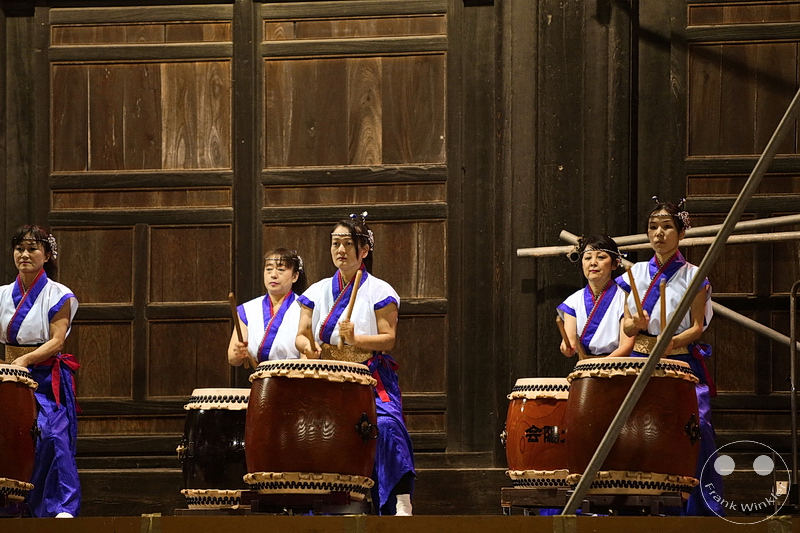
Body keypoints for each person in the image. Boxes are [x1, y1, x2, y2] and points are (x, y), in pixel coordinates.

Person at [295, 213, 415, 516]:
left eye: (348, 244)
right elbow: (301, 335)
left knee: (386, 426)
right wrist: (308, 348)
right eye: (335, 243)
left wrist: (357, 338)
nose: (340, 250)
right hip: (328, 378)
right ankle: (321, 502)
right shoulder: (318, 290)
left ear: (364, 250)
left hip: (370, 378)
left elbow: (388, 339)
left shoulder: (380, 290)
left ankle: (399, 497)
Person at [617, 197, 722, 516]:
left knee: (696, 427)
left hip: (679, 362)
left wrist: (671, 341)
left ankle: (699, 509)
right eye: (653, 227)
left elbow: (697, 328)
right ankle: (635, 508)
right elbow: (627, 323)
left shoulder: (694, 275)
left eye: (666, 227)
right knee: (634, 431)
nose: (658, 233)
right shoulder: (634, 274)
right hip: (640, 362)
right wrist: (632, 324)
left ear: (682, 233)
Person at [0, 225, 80, 518]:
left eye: (32, 249)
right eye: (19, 249)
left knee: (50, 435)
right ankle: (10, 505)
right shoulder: (2, 295)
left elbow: (57, 341)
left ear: (47, 255)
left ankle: (60, 507)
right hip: (9, 378)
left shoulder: (60, 294)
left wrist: (25, 361)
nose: (24, 255)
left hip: (46, 378)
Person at [556, 234, 634, 358]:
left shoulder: (626, 298)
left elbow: (627, 345)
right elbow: (570, 341)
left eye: (601, 257)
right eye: (587, 258)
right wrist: (567, 347)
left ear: (615, 264)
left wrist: (602, 365)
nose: (593, 263)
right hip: (586, 367)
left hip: (617, 365)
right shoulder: (572, 302)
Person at [228, 248, 307, 366]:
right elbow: (232, 359)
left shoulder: (304, 308)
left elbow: (306, 358)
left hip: (294, 379)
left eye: (281, 270)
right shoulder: (248, 310)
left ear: (295, 276)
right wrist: (238, 353)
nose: (273, 275)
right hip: (260, 380)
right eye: (269, 269)